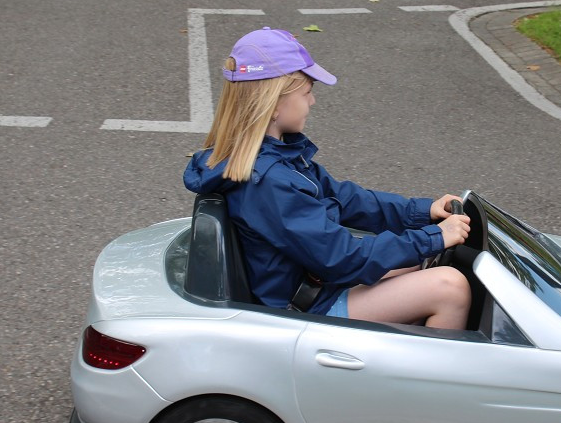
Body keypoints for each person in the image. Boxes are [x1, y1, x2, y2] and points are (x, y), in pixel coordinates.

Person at [183, 27, 473, 330]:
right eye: (307, 92)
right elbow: (342, 258)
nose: (312, 102)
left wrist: (422, 212)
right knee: (449, 287)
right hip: (304, 307)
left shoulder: (278, 158)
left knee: (419, 258)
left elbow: (347, 199)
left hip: (315, 281)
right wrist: (434, 236)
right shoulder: (269, 182)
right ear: (273, 105)